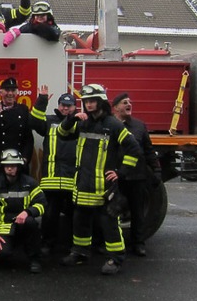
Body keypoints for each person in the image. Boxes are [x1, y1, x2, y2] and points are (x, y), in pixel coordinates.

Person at [58, 84, 143, 275]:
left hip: (103, 188)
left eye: (92, 100)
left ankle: (116, 258)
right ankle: (80, 253)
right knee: (80, 221)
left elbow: (134, 149)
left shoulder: (113, 124)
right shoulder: (83, 123)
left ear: (101, 102)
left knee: (109, 224)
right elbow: (62, 135)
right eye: (86, 101)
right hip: (83, 185)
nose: (88, 104)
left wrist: (121, 172)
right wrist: (71, 119)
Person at [111, 92, 162, 257]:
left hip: (136, 177)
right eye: (125, 102)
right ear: (116, 107)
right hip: (115, 177)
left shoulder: (139, 126)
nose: (129, 105)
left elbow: (148, 151)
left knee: (137, 212)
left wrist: (157, 171)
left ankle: (138, 243)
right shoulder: (109, 125)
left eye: (130, 102)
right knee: (111, 211)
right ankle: (110, 242)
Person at [29, 88, 78, 255]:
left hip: (72, 178)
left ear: (74, 108)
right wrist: (42, 101)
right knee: (50, 215)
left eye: (69, 106)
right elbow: (34, 122)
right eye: (63, 105)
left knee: (74, 216)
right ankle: (47, 243)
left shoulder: (79, 123)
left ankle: (73, 246)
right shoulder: (49, 121)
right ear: (58, 105)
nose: (65, 108)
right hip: (51, 178)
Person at [0, 149, 47, 273]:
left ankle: (35, 259)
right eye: (7, 165)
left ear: (18, 166)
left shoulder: (30, 183)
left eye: (13, 165)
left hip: (23, 225)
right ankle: (4, 253)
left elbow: (42, 203)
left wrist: (27, 212)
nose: (9, 168)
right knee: (2, 256)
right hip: (4, 228)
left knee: (30, 222)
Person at [0, 70, 34, 186]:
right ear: (1, 92)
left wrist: (25, 158)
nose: (10, 93)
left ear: (17, 92)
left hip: (17, 161)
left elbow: (28, 138)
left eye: (13, 90)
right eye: (7, 90)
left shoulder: (23, 109)